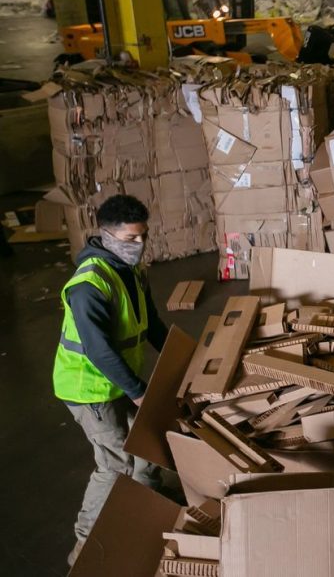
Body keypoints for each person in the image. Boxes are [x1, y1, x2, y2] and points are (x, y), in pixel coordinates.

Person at [54, 195, 169, 565]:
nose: (139, 245)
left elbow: (151, 323)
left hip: (119, 379)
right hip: (88, 388)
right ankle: (85, 549)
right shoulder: (89, 286)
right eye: (130, 239)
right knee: (115, 462)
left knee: (148, 441)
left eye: (143, 237)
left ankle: (149, 511)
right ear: (105, 235)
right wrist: (138, 392)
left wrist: (185, 359)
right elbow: (100, 352)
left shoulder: (132, 270)